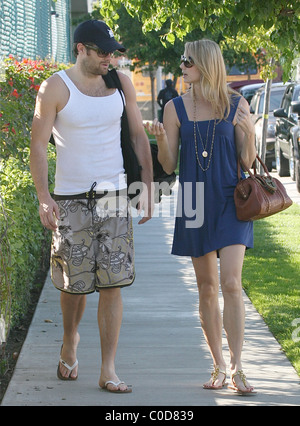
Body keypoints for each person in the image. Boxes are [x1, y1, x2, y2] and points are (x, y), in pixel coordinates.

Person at [30, 20, 153, 393]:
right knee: (74, 285)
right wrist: (43, 196)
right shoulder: (55, 87)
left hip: (114, 197)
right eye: (102, 52)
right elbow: (37, 146)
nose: (109, 59)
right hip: (70, 200)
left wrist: (146, 186)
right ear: (81, 49)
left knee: (113, 283)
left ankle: (108, 369)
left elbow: (136, 134)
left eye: (112, 53)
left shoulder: (120, 82)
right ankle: (70, 340)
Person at [145, 39, 257, 394]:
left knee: (231, 284)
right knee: (207, 287)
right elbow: (167, 164)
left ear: (205, 63)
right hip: (193, 199)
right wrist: (161, 140)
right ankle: (219, 366)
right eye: (181, 59)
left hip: (230, 198)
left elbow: (248, 160)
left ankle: (239, 367)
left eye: (187, 60)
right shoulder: (175, 107)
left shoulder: (236, 103)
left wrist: (250, 129)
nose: (182, 65)